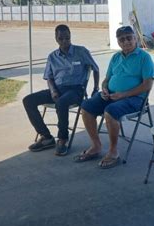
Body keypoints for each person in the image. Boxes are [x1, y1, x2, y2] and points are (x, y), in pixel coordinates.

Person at [73, 26, 154, 169]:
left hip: (135, 99)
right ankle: (96, 146)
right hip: (111, 95)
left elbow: (147, 85)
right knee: (86, 107)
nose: (126, 42)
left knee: (110, 112)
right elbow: (106, 79)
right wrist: (104, 88)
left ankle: (113, 152)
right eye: (122, 39)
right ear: (118, 42)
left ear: (135, 38)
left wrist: (123, 94)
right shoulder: (116, 57)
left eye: (129, 38)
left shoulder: (144, 57)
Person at [22, 24, 100, 156]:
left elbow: (95, 69)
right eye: (61, 38)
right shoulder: (52, 56)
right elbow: (49, 77)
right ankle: (46, 137)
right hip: (57, 89)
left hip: (76, 90)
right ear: (56, 39)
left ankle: (62, 139)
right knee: (28, 100)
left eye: (67, 38)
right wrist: (53, 91)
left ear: (70, 37)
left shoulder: (81, 51)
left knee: (61, 103)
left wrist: (95, 88)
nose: (64, 41)